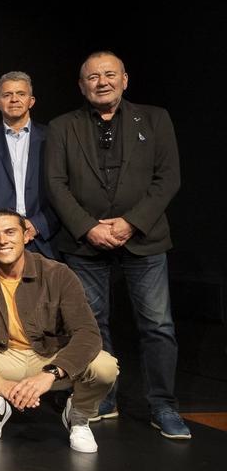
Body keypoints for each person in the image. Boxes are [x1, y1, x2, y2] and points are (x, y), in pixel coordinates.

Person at [45, 51, 188, 438]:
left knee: (158, 326)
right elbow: (56, 184)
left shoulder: (155, 119)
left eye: (110, 75)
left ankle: (163, 405)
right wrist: (88, 227)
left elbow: (167, 178)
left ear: (125, 79)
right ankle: (103, 397)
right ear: (81, 85)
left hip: (144, 239)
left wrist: (130, 223)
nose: (102, 82)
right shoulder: (62, 127)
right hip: (85, 245)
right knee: (92, 326)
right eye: (93, 77)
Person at [0, 210, 119, 453]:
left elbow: (88, 333)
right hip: (2, 357)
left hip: (48, 356)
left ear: (26, 235)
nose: (2, 241)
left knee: (106, 367)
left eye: (9, 232)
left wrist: (49, 374)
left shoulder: (58, 273)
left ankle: (78, 414)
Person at [0, 71, 58, 258]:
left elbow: (65, 187)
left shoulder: (53, 138)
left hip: (44, 238)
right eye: (7, 95)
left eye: (21, 94)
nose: (14, 99)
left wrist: (37, 224)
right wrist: (3, 226)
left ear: (31, 101)